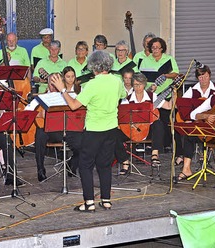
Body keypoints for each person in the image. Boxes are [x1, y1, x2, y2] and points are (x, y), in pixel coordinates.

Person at [51, 51, 126, 211]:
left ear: (93, 66)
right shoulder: (117, 80)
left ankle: (89, 203)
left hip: (94, 130)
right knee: (105, 165)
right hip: (111, 128)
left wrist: (62, 89)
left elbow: (73, 105)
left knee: (85, 166)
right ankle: (106, 200)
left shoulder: (92, 84)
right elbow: (123, 95)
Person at [26, 67, 82, 182]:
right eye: (51, 82)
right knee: (40, 133)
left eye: (56, 82)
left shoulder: (69, 95)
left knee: (83, 138)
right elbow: (27, 113)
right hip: (50, 131)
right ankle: (40, 169)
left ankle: (72, 163)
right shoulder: (40, 98)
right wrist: (39, 114)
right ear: (48, 83)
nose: (53, 85)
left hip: (67, 129)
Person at [119, 73, 171, 172]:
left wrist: (175, 94)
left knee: (158, 124)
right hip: (131, 130)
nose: (138, 87)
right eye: (135, 85)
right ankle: (125, 161)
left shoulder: (152, 97)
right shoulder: (127, 99)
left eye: (140, 84)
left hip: (149, 132)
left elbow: (168, 106)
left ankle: (154, 155)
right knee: (114, 134)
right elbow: (122, 118)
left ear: (145, 84)